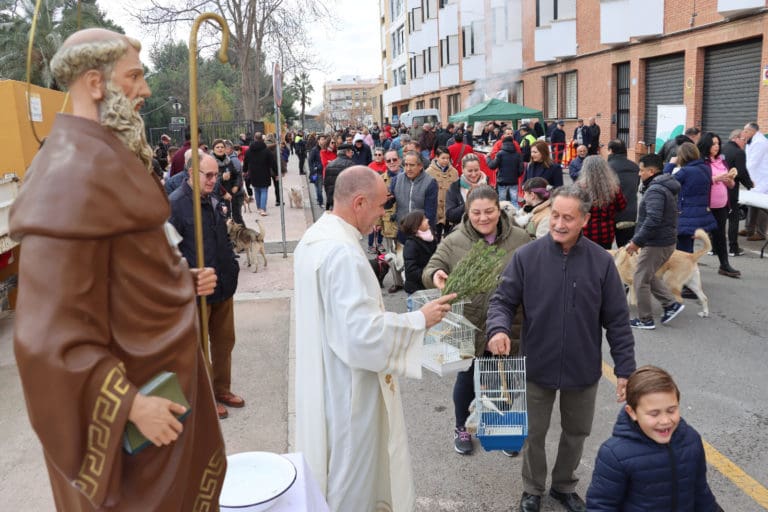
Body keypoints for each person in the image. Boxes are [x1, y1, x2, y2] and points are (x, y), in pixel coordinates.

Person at [9, 27, 226, 510]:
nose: (146, 89)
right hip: (138, 425)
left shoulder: (108, 158)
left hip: (164, 395)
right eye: (134, 76)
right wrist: (129, 405)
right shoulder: (69, 179)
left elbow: (118, 276)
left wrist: (173, 283)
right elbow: (47, 339)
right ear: (93, 83)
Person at [293, 166, 455, 511]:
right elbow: (361, 336)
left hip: (323, 375)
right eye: (382, 206)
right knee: (352, 478)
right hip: (349, 390)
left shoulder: (315, 238)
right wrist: (418, 321)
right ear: (360, 202)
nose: (384, 216)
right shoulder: (342, 254)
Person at [486, 185, 636, 512]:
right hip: (536, 365)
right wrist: (497, 329)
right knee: (533, 434)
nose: (559, 223)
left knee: (576, 433)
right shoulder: (526, 257)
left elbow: (618, 321)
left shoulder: (601, 262)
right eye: (555, 215)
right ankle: (532, 489)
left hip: (582, 369)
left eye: (568, 217)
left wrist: (625, 370)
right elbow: (502, 301)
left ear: (584, 219)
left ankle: (564, 485)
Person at [423, 185, 530, 456]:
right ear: (468, 213)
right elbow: (432, 267)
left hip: (509, 326)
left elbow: (537, 273)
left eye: (489, 212)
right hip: (468, 326)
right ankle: (461, 427)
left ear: (499, 210)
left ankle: (499, 426)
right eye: (476, 213)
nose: (483, 218)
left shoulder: (520, 239)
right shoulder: (455, 240)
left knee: (503, 381)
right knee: (467, 379)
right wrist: (436, 275)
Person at [586, 366, 722, 511]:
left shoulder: (691, 440)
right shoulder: (614, 454)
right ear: (632, 412)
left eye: (671, 410)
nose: (665, 420)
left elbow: (700, 491)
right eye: (654, 414)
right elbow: (601, 505)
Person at [169, 153, 243, 419]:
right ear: (191, 173)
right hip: (198, 292)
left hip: (223, 284)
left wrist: (232, 265)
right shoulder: (175, 205)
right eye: (208, 175)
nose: (215, 179)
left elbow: (222, 237)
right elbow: (166, 252)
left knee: (224, 343)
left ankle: (222, 389)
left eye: (215, 174)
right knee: (199, 349)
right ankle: (206, 397)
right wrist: (187, 276)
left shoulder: (212, 199)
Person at [626, 153, 685, 330]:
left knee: (640, 278)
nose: (639, 174)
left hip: (657, 242)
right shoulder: (660, 186)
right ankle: (670, 304)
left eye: (641, 170)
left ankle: (646, 319)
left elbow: (653, 219)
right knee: (647, 274)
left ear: (651, 171)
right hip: (662, 240)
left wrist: (637, 241)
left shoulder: (655, 190)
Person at [698, 132, 740, 278]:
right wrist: (716, 178)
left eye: (718, 144)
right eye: (713, 144)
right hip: (704, 206)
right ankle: (685, 265)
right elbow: (698, 180)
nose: (716, 146)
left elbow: (732, 184)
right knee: (693, 234)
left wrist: (729, 181)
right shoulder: (701, 162)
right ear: (706, 145)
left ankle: (724, 265)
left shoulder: (722, 161)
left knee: (720, 235)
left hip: (721, 205)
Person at [665, 142, 717, 253]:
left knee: (683, 249)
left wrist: (670, 164)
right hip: (700, 212)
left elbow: (664, 181)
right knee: (688, 246)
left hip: (685, 213)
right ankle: (690, 268)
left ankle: (685, 270)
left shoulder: (685, 171)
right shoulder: (706, 168)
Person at [577, 156, 627, 249]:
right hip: (607, 232)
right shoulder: (613, 187)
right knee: (603, 259)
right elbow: (622, 206)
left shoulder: (580, 188)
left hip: (587, 231)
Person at [722, 129, 754, 256]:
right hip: (730, 190)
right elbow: (741, 172)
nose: (745, 143)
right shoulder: (739, 152)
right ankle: (733, 248)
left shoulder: (721, 148)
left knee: (719, 219)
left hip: (718, 189)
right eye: (744, 140)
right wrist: (750, 185)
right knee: (733, 219)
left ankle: (714, 248)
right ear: (735, 138)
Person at [607, 139, 640, 247]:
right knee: (626, 249)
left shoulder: (606, 168)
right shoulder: (635, 167)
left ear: (610, 151)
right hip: (630, 212)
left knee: (605, 249)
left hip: (610, 213)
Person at [741, 121, 768, 241]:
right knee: (751, 202)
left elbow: (752, 162)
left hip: (762, 178)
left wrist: (742, 173)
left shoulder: (760, 142)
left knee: (761, 204)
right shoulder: (751, 141)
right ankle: (749, 229)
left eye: (746, 131)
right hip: (754, 177)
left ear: (753, 131)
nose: (744, 133)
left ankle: (761, 232)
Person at [425, 146, 460, 241]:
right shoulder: (429, 172)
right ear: (436, 157)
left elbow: (457, 190)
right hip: (435, 209)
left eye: (447, 158)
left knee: (451, 238)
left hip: (450, 209)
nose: (445, 161)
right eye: (443, 158)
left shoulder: (454, 172)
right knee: (436, 237)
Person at [400, 210, 437, 294]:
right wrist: (430, 274)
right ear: (415, 226)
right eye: (424, 220)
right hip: (416, 290)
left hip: (428, 285)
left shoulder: (431, 238)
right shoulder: (411, 244)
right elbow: (411, 271)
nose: (427, 220)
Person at [445, 153, 488, 226]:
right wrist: (468, 203)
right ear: (462, 169)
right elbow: (450, 216)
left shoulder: (488, 185)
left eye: (476, 170)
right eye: (470, 171)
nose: (474, 174)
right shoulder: (454, 187)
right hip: (463, 231)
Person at [212, 138, 246, 227]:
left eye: (222, 147)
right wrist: (221, 178)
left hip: (230, 196)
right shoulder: (210, 162)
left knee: (232, 220)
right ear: (213, 149)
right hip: (217, 197)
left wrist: (236, 186)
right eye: (217, 147)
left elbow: (237, 175)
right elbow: (210, 181)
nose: (220, 149)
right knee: (221, 222)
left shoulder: (228, 161)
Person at [243, 132, 277, 216]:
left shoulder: (249, 151)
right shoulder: (266, 150)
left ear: (254, 138)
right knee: (264, 190)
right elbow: (273, 162)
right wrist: (276, 173)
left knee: (256, 190)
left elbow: (245, 161)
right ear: (262, 138)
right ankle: (262, 209)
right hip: (264, 172)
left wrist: (245, 171)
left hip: (253, 173)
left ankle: (258, 208)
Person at [488, 135, 524, 207]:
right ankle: (516, 216)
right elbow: (521, 170)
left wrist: (488, 159)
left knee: (502, 202)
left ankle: (503, 216)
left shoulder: (500, 154)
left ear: (503, 143)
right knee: (514, 201)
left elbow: (492, 166)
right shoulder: (518, 155)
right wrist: (516, 175)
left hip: (502, 181)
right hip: (514, 181)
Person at [325, 142, 355, 211]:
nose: (352, 155)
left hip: (333, 202)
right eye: (351, 152)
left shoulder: (330, 165)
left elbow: (327, 185)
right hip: (346, 203)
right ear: (347, 152)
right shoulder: (351, 165)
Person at [308, 134, 326, 207]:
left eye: (324, 139)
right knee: (319, 189)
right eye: (322, 139)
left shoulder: (326, 149)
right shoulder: (314, 150)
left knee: (319, 188)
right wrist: (313, 171)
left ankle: (319, 199)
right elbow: (310, 161)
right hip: (317, 172)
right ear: (318, 141)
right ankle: (321, 202)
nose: (323, 141)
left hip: (325, 171)